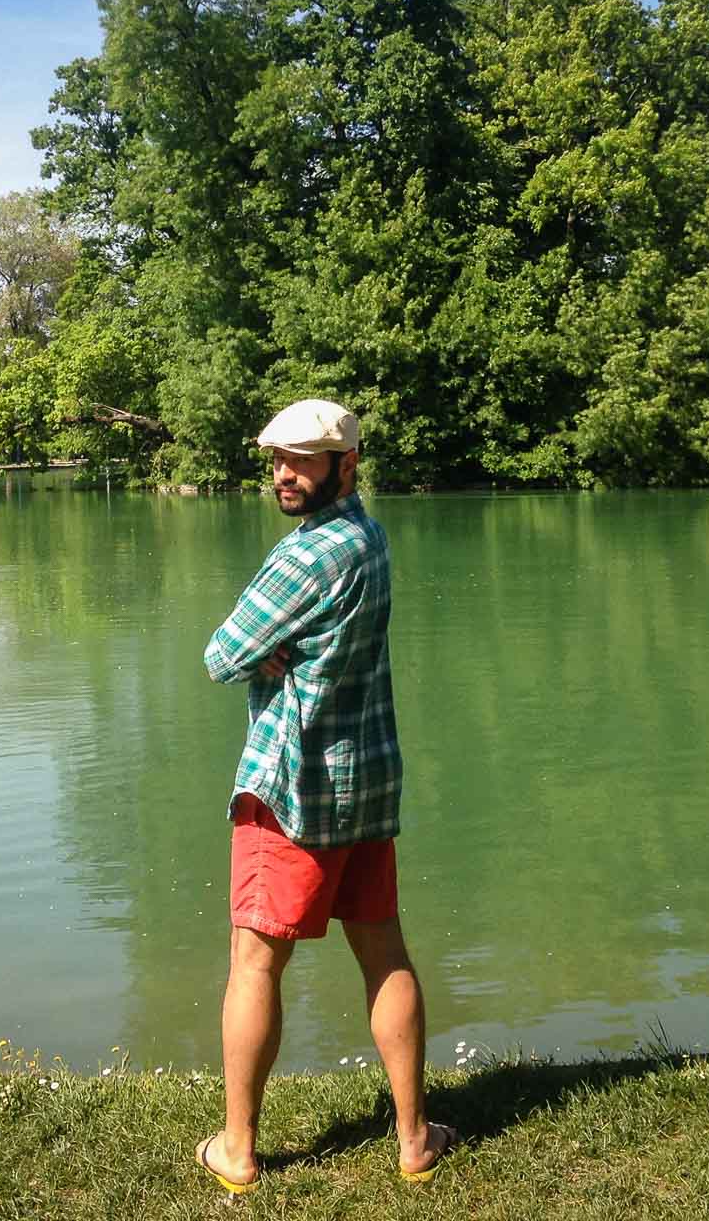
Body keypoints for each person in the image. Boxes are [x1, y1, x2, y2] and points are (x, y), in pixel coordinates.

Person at [195, 399, 456, 1195]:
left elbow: (220, 654)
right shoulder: (369, 536)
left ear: (347, 464)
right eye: (278, 458)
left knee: (253, 964)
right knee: (385, 951)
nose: (284, 473)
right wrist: (282, 647)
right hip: (367, 778)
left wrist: (267, 650)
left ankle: (238, 1152)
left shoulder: (304, 559)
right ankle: (414, 1137)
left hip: (295, 784)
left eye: (304, 460)